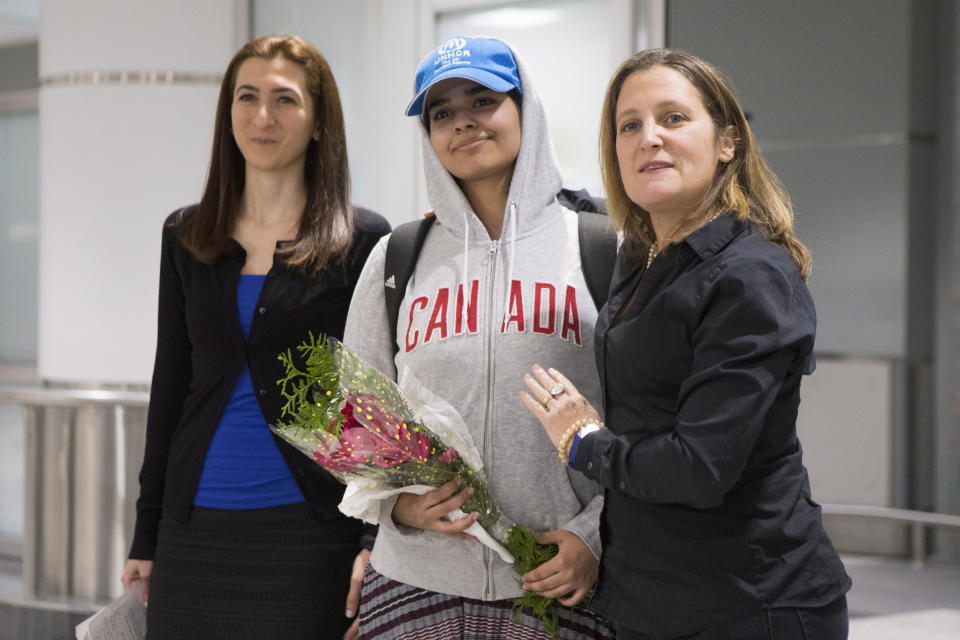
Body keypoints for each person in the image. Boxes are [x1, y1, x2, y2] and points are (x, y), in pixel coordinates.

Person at [521, 49, 852, 639]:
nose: (649, 138)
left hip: (750, 606)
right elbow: (582, 206)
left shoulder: (747, 276)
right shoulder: (644, 256)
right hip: (653, 600)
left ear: (728, 142)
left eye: (673, 118)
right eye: (630, 125)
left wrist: (582, 441)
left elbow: (699, 468)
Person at [342, 36, 614, 639]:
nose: (463, 121)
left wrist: (593, 535)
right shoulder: (397, 258)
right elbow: (355, 415)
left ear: (525, 110)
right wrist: (397, 506)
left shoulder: (600, 247)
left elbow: (649, 417)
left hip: (555, 581)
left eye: (483, 100)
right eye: (442, 113)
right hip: (413, 583)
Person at [120, 35, 390, 640]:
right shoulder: (186, 235)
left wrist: (374, 541)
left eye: (285, 100)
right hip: (193, 528)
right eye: (247, 96)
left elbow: (374, 400)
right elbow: (172, 386)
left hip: (309, 529)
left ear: (320, 122)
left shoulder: (363, 240)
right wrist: (147, 531)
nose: (262, 116)